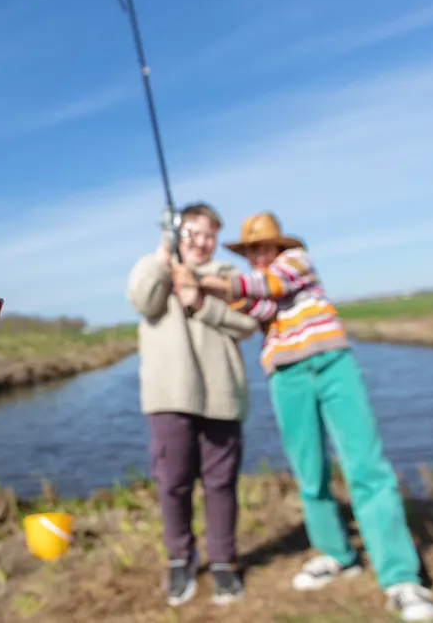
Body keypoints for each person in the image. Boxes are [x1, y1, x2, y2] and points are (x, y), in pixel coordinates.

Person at [198, 212, 433, 622]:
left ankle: (401, 577)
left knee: (366, 466)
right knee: (309, 473)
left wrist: (210, 283)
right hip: (286, 376)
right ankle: (336, 554)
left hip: (331, 364)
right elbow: (248, 304)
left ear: (280, 245)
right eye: (251, 250)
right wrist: (196, 289)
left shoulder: (296, 263)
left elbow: (266, 285)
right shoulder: (255, 284)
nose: (259, 255)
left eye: (264, 246)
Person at [126, 202, 261, 607]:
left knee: (221, 484)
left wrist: (199, 300)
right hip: (170, 395)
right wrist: (163, 261)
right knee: (173, 482)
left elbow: (249, 322)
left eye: (209, 235)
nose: (202, 242)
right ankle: (180, 557)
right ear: (177, 236)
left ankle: (223, 560)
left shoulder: (228, 276)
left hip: (222, 394)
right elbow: (141, 300)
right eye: (193, 234)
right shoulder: (156, 270)